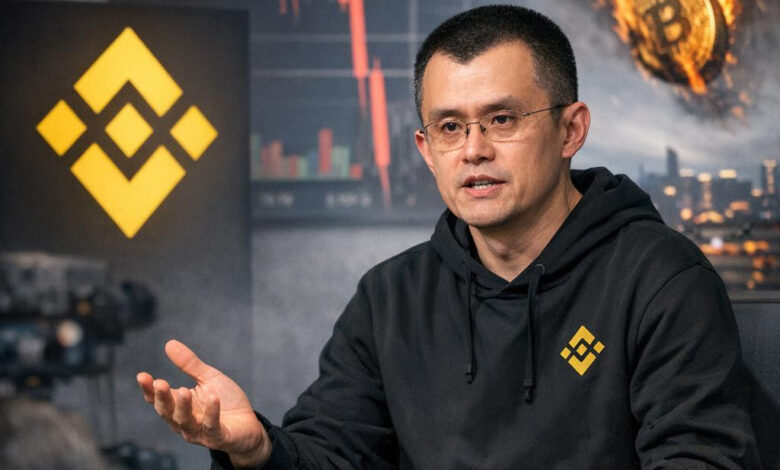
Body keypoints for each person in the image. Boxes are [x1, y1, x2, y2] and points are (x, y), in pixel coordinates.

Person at [137, 5, 761, 469]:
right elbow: (335, 454)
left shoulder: (661, 279)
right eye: (449, 127)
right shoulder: (390, 297)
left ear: (571, 131)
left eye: (502, 119)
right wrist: (257, 451)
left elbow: (701, 458)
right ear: (426, 149)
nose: (474, 150)